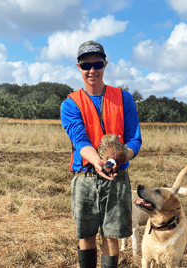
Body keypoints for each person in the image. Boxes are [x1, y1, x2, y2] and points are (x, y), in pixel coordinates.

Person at [60, 40, 142, 268]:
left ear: (105, 64)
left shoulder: (124, 98)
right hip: (84, 177)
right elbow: (79, 140)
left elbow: (135, 139)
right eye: (86, 65)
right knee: (85, 235)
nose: (92, 70)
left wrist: (121, 157)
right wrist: (97, 161)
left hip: (116, 178)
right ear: (78, 67)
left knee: (111, 235)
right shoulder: (70, 104)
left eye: (97, 64)